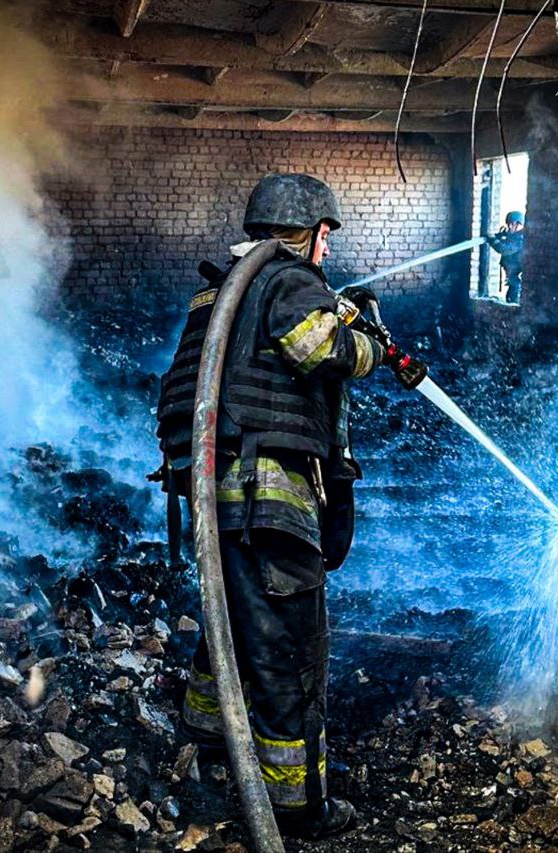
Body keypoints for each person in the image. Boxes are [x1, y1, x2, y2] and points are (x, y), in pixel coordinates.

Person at [155, 173, 387, 840]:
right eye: (325, 236)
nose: (327, 249)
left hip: (217, 496)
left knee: (230, 621)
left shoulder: (222, 291)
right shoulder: (288, 279)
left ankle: (205, 742)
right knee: (289, 649)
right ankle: (296, 805)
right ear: (307, 232)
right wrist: (370, 342)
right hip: (268, 497)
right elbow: (320, 349)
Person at [485, 210, 525, 302]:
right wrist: (497, 236)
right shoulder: (513, 235)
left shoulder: (520, 238)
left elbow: (504, 249)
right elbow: (502, 237)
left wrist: (492, 239)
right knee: (511, 291)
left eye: (512, 224)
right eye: (508, 224)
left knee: (514, 292)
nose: (509, 227)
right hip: (512, 271)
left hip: (516, 271)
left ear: (519, 224)